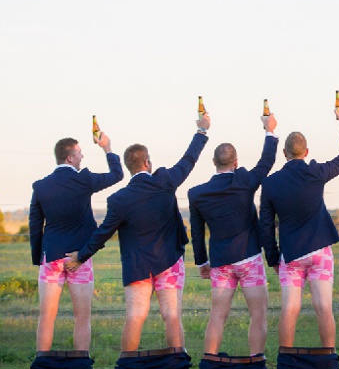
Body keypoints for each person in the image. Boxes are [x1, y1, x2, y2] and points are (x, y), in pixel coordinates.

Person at [68, 113, 210, 355]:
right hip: (170, 262)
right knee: (172, 315)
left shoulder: (119, 199)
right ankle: (177, 365)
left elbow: (102, 234)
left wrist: (80, 256)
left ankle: (128, 365)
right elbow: (189, 159)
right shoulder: (165, 180)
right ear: (147, 163)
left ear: (128, 167)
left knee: (135, 316)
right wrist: (202, 131)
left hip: (137, 266)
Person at [260, 107, 339, 350]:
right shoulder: (316, 172)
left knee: (289, 310)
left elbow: (266, 226)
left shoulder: (270, 184)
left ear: (284, 153)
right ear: (307, 151)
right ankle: (329, 358)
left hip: (290, 254)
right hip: (320, 251)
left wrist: (272, 257)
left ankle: (286, 360)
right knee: (324, 308)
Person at [188, 113, 278, 360]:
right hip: (249, 257)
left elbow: (197, 231)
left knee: (217, 314)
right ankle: (256, 360)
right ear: (236, 162)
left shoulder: (198, 194)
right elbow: (266, 162)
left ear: (213, 162)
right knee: (258, 314)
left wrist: (201, 262)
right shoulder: (244, 180)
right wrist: (269, 131)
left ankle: (209, 359)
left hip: (220, 261)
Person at [29, 131, 123, 355]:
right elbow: (117, 174)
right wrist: (107, 148)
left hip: (51, 257)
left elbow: (35, 225)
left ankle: (42, 365)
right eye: (80, 153)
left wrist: (39, 259)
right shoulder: (85, 180)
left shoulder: (40, 186)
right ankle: (82, 363)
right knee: (82, 316)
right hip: (79, 258)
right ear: (70, 157)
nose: (82, 157)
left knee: (47, 316)